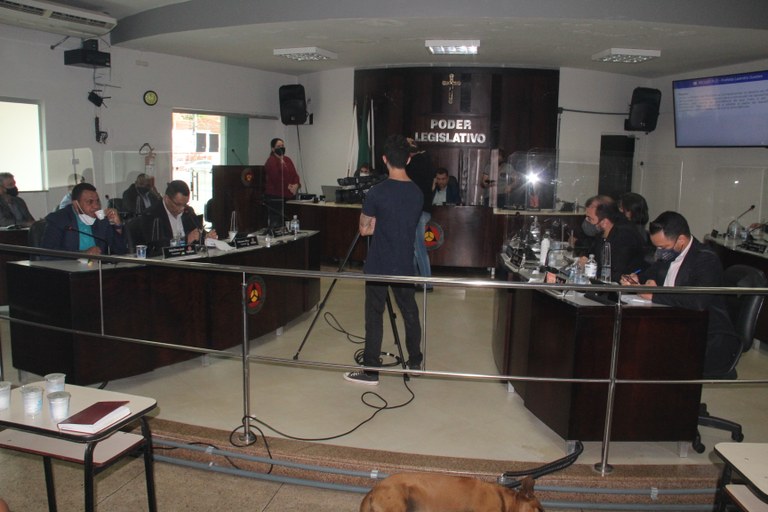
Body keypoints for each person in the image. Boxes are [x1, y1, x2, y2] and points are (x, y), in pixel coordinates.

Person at [344, 134, 423, 385]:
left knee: (374, 316)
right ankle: (415, 361)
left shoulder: (377, 192)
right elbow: (406, 223)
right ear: (408, 159)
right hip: (404, 262)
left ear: (384, 159)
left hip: (379, 262)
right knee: (410, 311)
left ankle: (371, 371)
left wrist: (379, 221)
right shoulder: (417, 192)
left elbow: (364, 229)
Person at [620, 211, 739, 377]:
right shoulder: (670, 253)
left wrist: (653, 295)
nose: (659, 252)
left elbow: (698, 301)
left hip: (705, 336)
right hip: (675, 324)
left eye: (663, 247)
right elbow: (651, 272)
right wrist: (636, 278)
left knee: (645, 351)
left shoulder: (706, 260)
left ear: (681, 240)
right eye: (656, 247)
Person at [41, 182, 128, 257]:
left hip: (98, 269)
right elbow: (47, 255)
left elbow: (120, 251)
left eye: (97, 201)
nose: (96, 206)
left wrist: (117, 226)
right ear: (76, 204)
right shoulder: (58, 219)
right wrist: (83, 254)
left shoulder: (101, 220)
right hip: (70, 269)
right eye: (90, 202)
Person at [136, 180, 217, 256]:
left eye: (185, 204)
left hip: (188, 258)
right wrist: (185, 240)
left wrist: (206, 237)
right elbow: (154, 247)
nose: (182, 208)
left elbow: (198, 232)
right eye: (178, 204)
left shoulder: (188, 211)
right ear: (166, 198)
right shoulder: (151, 215)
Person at [581, 195, 647, 282]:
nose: (587, 221)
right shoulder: (601, 233)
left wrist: (590, 268)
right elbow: (591, 255)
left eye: (590, 218)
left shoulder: (625, 236)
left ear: (604, 222)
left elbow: (615, 273)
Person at [405, 138, 435, 291]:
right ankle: (417, 280)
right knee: (415, 248)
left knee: (418, 248)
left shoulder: (415, 164)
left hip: (417, 210)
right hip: (423, 209)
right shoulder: (426, 161)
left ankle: (426, 282)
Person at [264, 138, 301, 228]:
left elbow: (295, 175)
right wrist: (289, 187)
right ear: (273, 149)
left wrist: (296, 185)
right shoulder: (271, 161)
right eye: (278, 146)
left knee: (289, 222)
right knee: (278, 224)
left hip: (289, 196)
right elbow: (276, 178)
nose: (281, 148)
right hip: (276, 198)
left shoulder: (287, 159)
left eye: (282, 146)